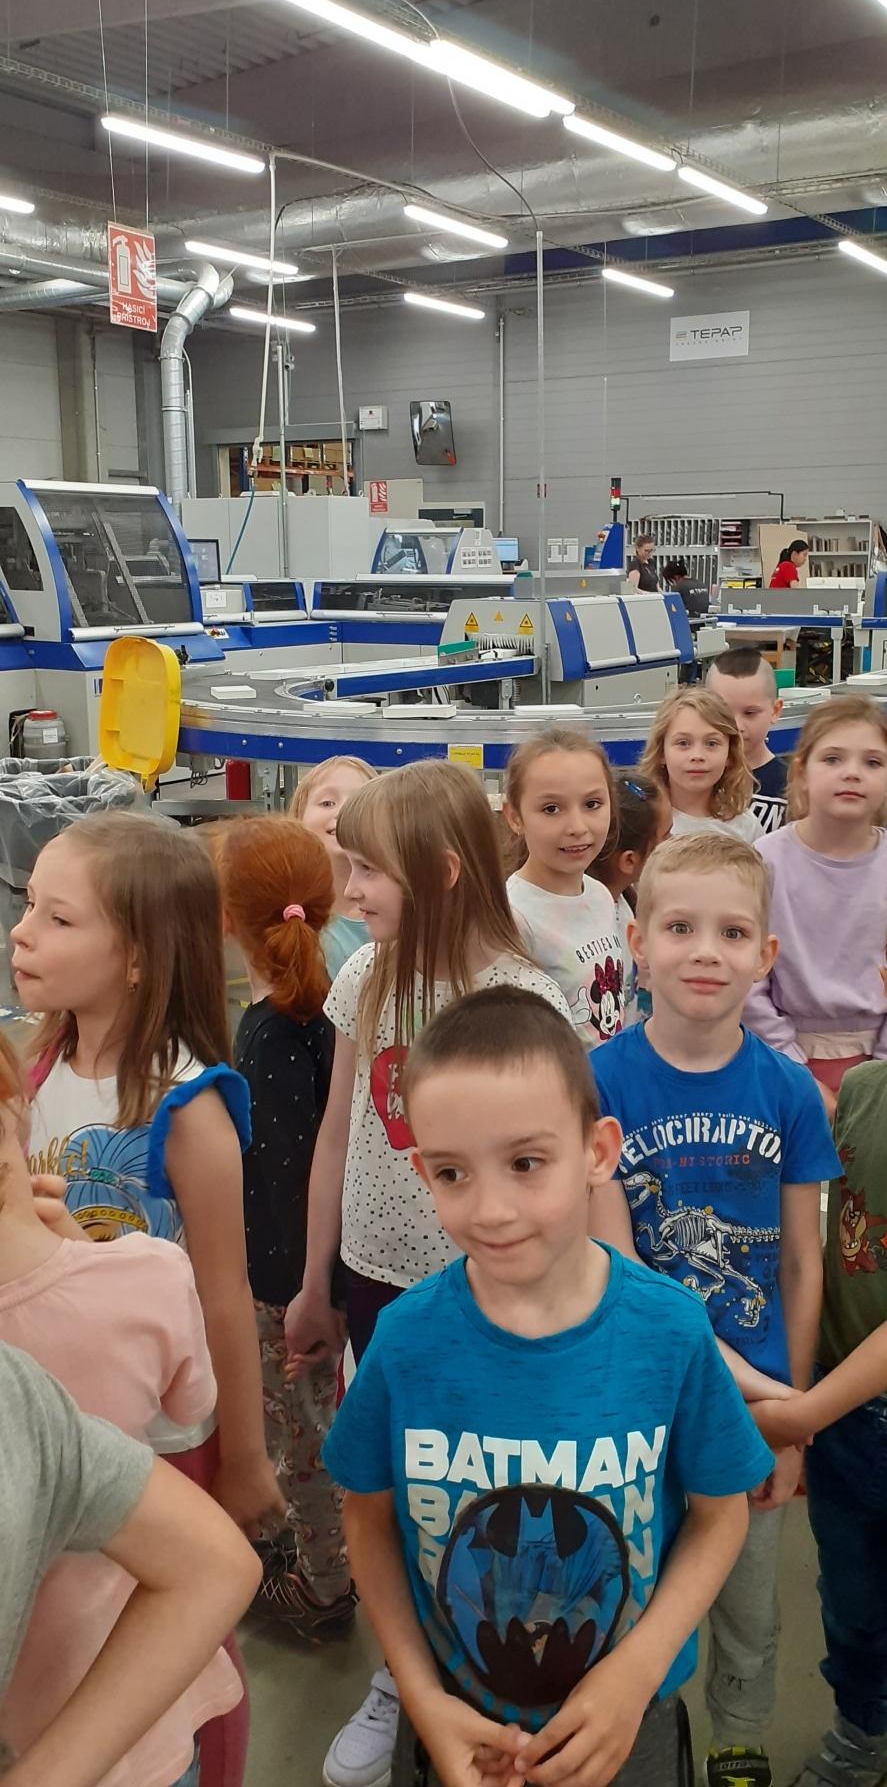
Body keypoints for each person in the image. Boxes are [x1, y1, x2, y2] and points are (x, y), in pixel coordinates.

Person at [323, 985, 774, 1787]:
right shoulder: (405, 1340)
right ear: (421, 1170)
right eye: (452, 1173)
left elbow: (719, 1515)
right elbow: (368, 1519)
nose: (491, 1210)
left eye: (525, 1163)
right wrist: (419, 1697)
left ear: (598, 1152)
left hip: (625, 1726)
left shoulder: (669, 1332)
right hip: (451, 1727)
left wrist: (636, 1671)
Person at [284, 761, 571, 1787]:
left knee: (480, 1489)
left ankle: (479, 1669)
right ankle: (397, 1676)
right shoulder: (367, 974)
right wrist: (315, 1281)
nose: (350, 887)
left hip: (487, 1288)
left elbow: (554, 1169)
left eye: (369, 869)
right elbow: (337, 1132)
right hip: (374, 1280)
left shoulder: (524, 999)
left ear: (442, 872)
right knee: (397, 1488)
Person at [13, 811, 281, 1787]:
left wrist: (244, 1459)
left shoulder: (186, 1105)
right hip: (57, 1415)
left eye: (57, 919)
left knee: (168, 1639)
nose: (21, 933)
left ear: (135, 956)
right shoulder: (32, 1065)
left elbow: (225, 1297)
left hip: (166, 1433)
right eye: (27, 907)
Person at [588, 832, 841, 1787]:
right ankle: (635, 1728)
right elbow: (619, 1267)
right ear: (637, 941)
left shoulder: (787, 1091)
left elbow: (803, 1262)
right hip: (639, 1392)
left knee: (748, 1598)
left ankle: (738, 1732)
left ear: (764, 955)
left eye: (732, 933)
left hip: (756, 1404)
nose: (705, 952)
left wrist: (792, 1414)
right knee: (633, 1577)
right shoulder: (597, 1080)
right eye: (679, 928)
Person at [0, 1031, 246, 1787]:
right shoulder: (148, 1275)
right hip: (131, 1695)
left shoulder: (190, 1101)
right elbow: (190, 1401)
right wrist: (98, 1260)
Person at [0, 1340, 259, 1787]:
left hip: (121, 1666)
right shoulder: (19, 1393)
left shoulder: (19, 1395)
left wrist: (244, 1458)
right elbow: (191, 1394)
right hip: (127, 1685)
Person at [215, 813, 354, 1641]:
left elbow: (281, 1177)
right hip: (312, 1271)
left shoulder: (270, 1032)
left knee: (301, 1439)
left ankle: (325, 1588)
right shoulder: (326, 1009)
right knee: (309, 1425)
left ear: (226, 919)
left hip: (283, 1284)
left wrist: (303, 1293)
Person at [753, 1044, 887, 1787]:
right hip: (845, 1420)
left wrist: (799, 1413)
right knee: (851, 1599)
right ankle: (860, 1729)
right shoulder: (862, 1091)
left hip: (830, 1405)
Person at [744, 695, 887, 1117]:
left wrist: (877, 1077)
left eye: (872, 762)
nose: (852, 773)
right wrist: (795, 1071)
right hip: (780, 1059)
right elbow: (747, 977)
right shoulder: (766, 861)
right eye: (833, 759)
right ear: (801, 773)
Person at [503, 728, 625, 1047]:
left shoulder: (600, 894)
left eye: (592, 804)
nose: (577, 827)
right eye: (551, 809)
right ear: (514, 817)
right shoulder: (512, 917)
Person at [588, 771, 671, 1025]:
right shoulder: (594, 922)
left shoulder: (625, 904)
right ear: (629, 861)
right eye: (666, 836)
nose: (674, 842)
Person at [638, 686, 763, 844]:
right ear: (661, 751)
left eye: (711, 743)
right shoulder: (641, 820)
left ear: (730, 754)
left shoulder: (745, 827)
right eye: (683, 743)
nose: (697, 756)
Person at [290, 757, 376, 980]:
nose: (343, 811)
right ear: (298, 819)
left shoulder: (400, 908)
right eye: (327, 803)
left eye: (358, 802)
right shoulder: (291, 914)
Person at [706, 650, 787, 836]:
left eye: (750, 713)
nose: (737, 726)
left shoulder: (793, 785)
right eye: (724, 712)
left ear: (775, 711)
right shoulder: (693, 777)